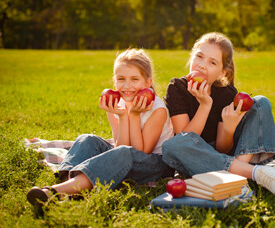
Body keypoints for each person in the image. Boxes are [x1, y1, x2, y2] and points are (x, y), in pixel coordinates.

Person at [27, 49, 174, 208]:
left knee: (124, 153)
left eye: (134, 79)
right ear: (114, 80)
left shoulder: (157, 110)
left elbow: (140, 151)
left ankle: (53, 193)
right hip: (127, 154)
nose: (127, 85)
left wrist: (134, 115)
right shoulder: (116, 103)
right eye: (121, 79)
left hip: (156, 164)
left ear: (147, 82)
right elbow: (119, 145)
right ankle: (69, 185)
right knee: (87, 139)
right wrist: (122, 116)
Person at [162, 32, 275, 195]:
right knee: (173, 145)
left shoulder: (226, 93)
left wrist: (229, 128)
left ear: (222, 72)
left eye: (212, 62)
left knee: (260, 102)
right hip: (194, 155)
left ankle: (238, 172)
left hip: (220, 156)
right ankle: (254, 173)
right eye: (199, 56)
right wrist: (205, 105)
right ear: (191, 56)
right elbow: (185, 136)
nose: (201, 65)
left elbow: (223, 149)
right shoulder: (177, 87)